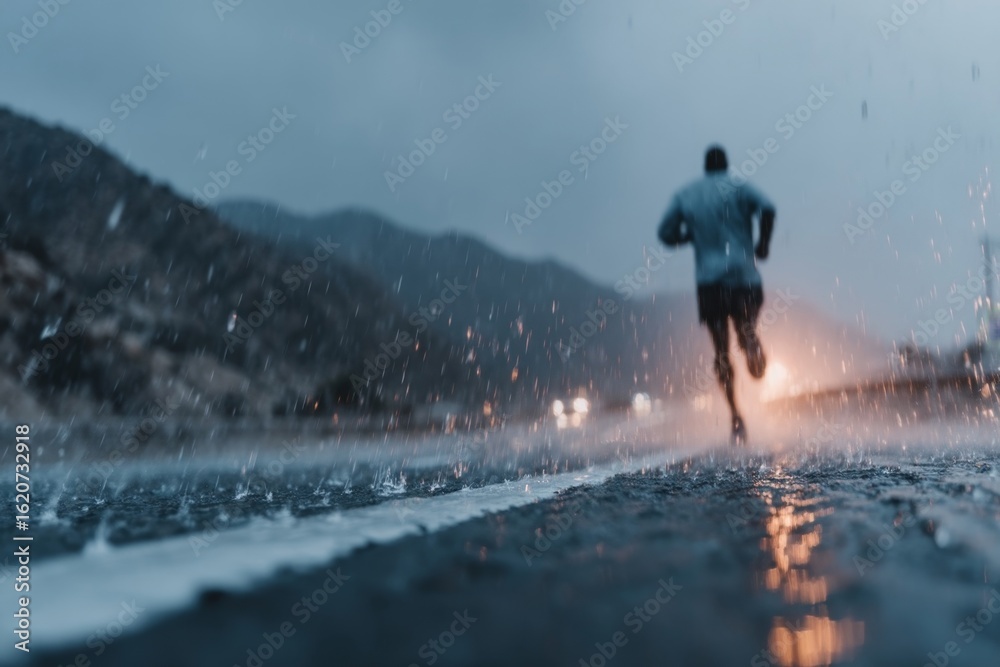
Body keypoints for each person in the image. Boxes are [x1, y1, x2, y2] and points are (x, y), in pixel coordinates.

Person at [658, 145, 776, 444]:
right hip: (744, 277)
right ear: (725, 165)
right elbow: (769, 208)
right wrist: (763, 245)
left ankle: (735, 414)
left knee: (721, 351)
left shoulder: (687, 194)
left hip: (710, 282)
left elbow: (664, 232)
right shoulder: (738, 187)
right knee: (746, 322)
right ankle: (748, 337)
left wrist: (686, 236)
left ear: (705, 167)